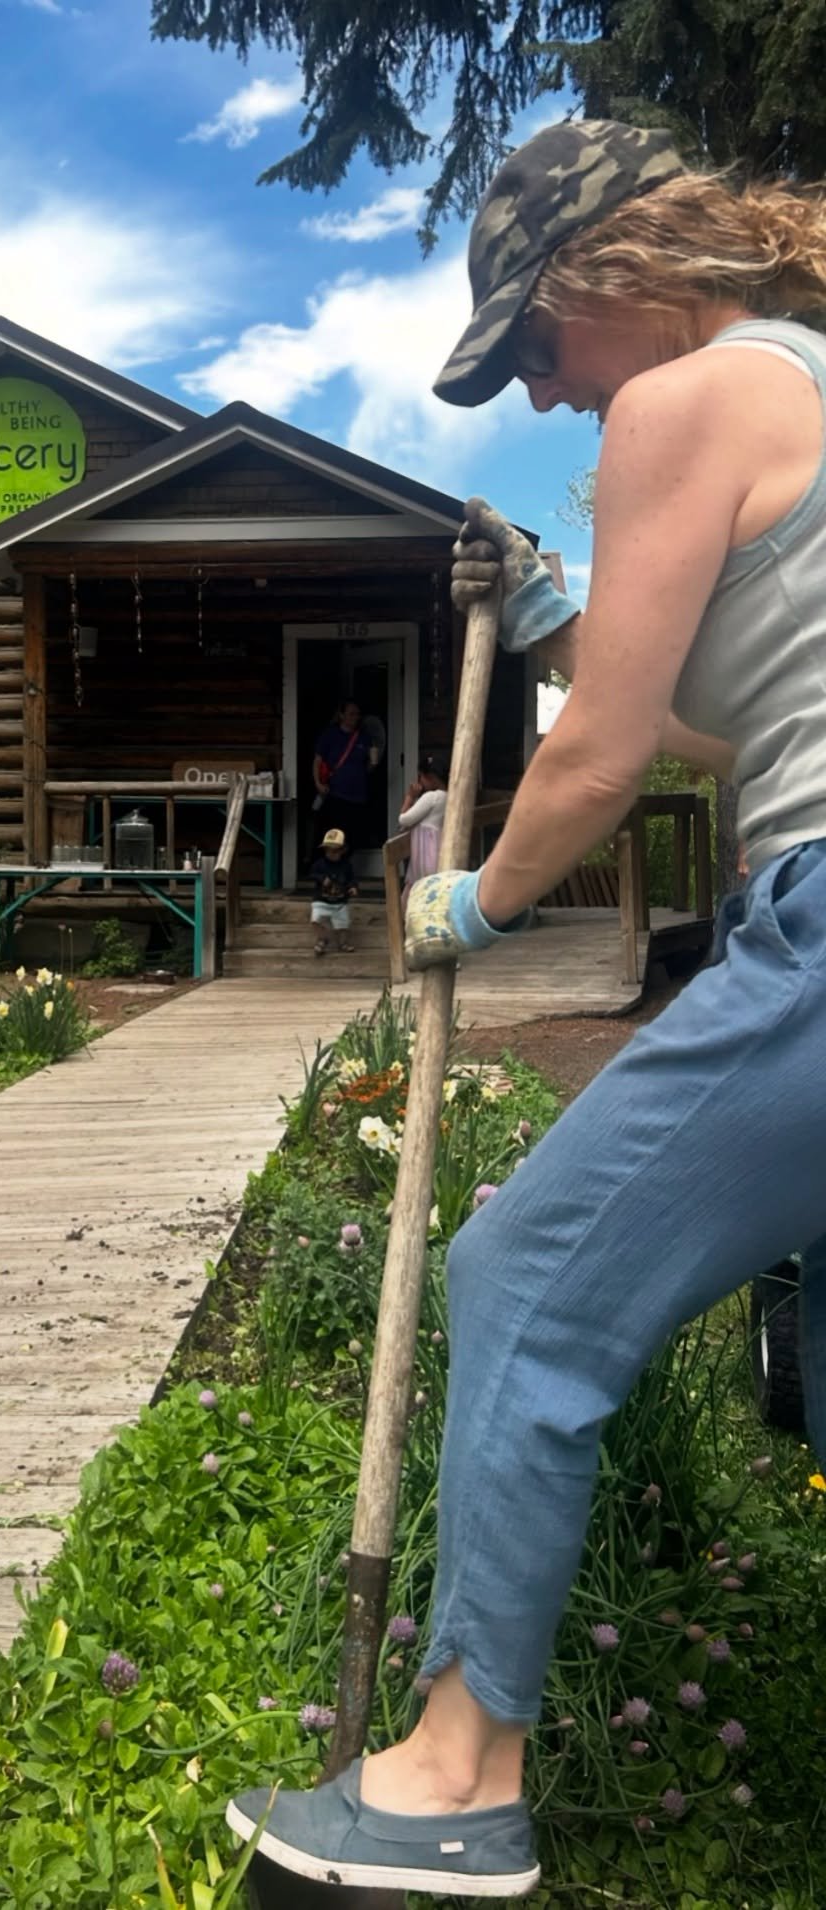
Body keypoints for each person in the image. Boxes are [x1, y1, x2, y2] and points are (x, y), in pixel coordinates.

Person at [228, 116, 826, 1896]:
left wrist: (462, 901)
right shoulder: (802, 386)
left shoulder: (685, 400)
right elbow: (731, 713)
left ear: (610, 276)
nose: (554, 401)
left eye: (542, 351)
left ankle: (448, 1779)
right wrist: (564, 613)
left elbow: (601, 762)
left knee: (523, 1288)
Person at [311, 699, 376, 849]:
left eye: (357, 714)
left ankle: (344, 868)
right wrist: (318, 783)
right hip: (336, 794)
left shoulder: (364, 738)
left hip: (358, 794)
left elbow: (368, 769)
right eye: (351, 714)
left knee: (353, 836)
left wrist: (373, 763)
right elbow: (317, 760)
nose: (355, 717)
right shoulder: (330, 735)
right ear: (341, 715)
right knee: (333, 835)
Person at [397, 754, 449, 896]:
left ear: (430, 777)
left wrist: (410, 797)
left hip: (426, 851)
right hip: (438, 847)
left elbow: (404, 819)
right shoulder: (448, 796)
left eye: (421, 776)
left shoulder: (431, 797)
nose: (419, 780)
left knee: (420, 889)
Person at [308, 827, 358, 956]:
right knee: (315, 920)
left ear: (342, 850)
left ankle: (343, 943)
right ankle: (322, 939)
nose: (331, 853)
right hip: (322, 899)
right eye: (328, 850)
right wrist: (321, 878)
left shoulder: (346, 865)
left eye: (335, 851)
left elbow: (352, 878)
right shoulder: (320, 864)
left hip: (340, 901)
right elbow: (312, 874)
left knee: (343, 924)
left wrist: (353, 887)